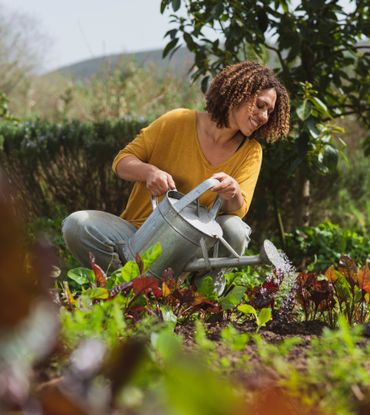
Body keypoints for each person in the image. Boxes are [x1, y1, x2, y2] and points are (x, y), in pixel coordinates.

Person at [62, 61, 290, 292]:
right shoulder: (177, 121)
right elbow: (122, 162)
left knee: (235, 229)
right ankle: (126, 288)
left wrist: (232, 191)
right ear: (238, 94)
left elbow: (238, 210)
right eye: (260, 105)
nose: (264, 116)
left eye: (269, 112)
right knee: (77, 225)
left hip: (190, 252)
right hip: (140, 236)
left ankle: (199, 297)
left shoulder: (251, 151)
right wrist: (149, 172)